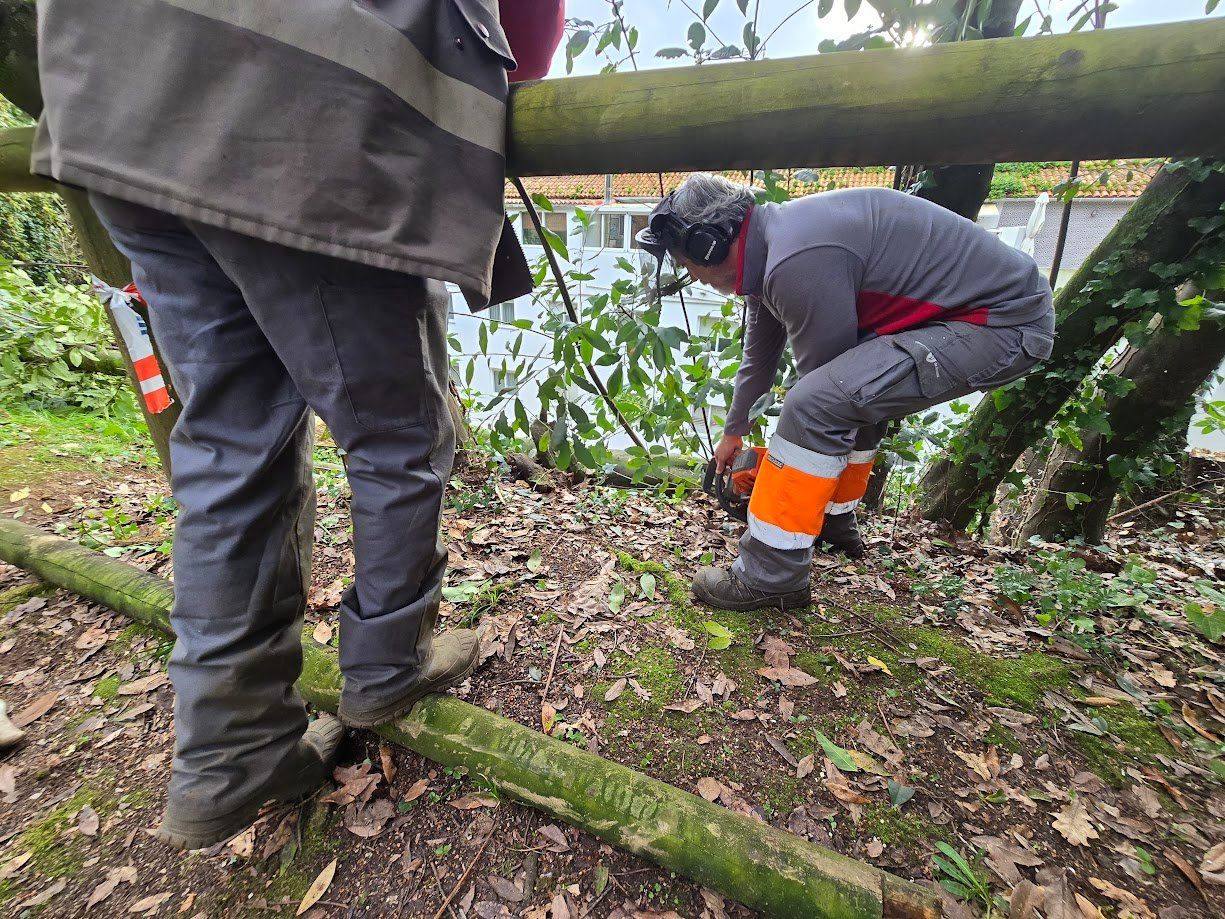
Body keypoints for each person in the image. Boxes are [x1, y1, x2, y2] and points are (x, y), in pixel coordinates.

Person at [31, 0, 564, 850]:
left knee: (227, 445)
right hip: (300, 119)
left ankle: (228, 754)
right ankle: (389, 662)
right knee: (395, 432)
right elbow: (527, 38)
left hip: (116, 97)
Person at [636, 174, 1055, 612]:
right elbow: (758, 359)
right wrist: (734, 431)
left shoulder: (794, 260)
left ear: (710, 244)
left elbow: (823, 392)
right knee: (846, 394)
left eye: (687, 263)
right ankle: (834, 524)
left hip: (1002, 323)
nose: (690, 275)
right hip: (977, 315)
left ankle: (771, 574)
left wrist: (779, 479)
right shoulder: (773, 250)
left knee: (818, 403)